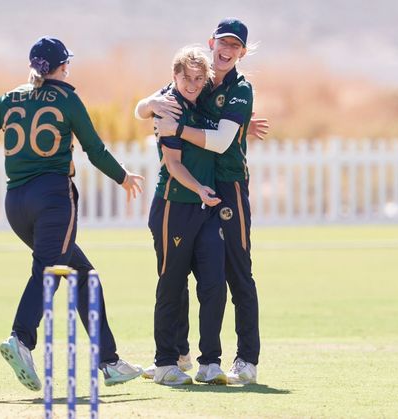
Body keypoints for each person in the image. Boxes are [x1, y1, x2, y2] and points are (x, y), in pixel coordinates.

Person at [0, 36, 144, 391]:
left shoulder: (8, 98)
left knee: (83, 276)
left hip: (16, 204)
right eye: (67, 64)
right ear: (61, 67)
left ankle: (109, 361)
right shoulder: (68, 99)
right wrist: (123, 177)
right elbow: (94, 149)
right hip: (54, 201)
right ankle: (21, 339)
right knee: (50, 271)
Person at [136, 18, 267, 385]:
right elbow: (148, 106)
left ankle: (246, 359)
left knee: (237, 270)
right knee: (177, 274)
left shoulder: (241, 87)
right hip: (195, 190)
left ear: (243, 51)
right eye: (222, 42)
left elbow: (223, 142)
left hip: (229, 186)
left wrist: (178, 129)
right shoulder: (199, 77)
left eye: (235, 45)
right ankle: (176, 354)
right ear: (212, 43)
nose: (227, 50)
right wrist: (148, 106)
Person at [147, 45, 229, 386]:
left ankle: (209, 362)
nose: (193, 84)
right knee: (172, 285)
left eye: (199, 78)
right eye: (186, 78)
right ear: (174, 76)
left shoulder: (206, 98)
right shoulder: (168, 105)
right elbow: (174, 164)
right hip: (174, 207)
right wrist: (199, 189)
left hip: (204, 208)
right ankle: (166, 362)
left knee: (213, 284)